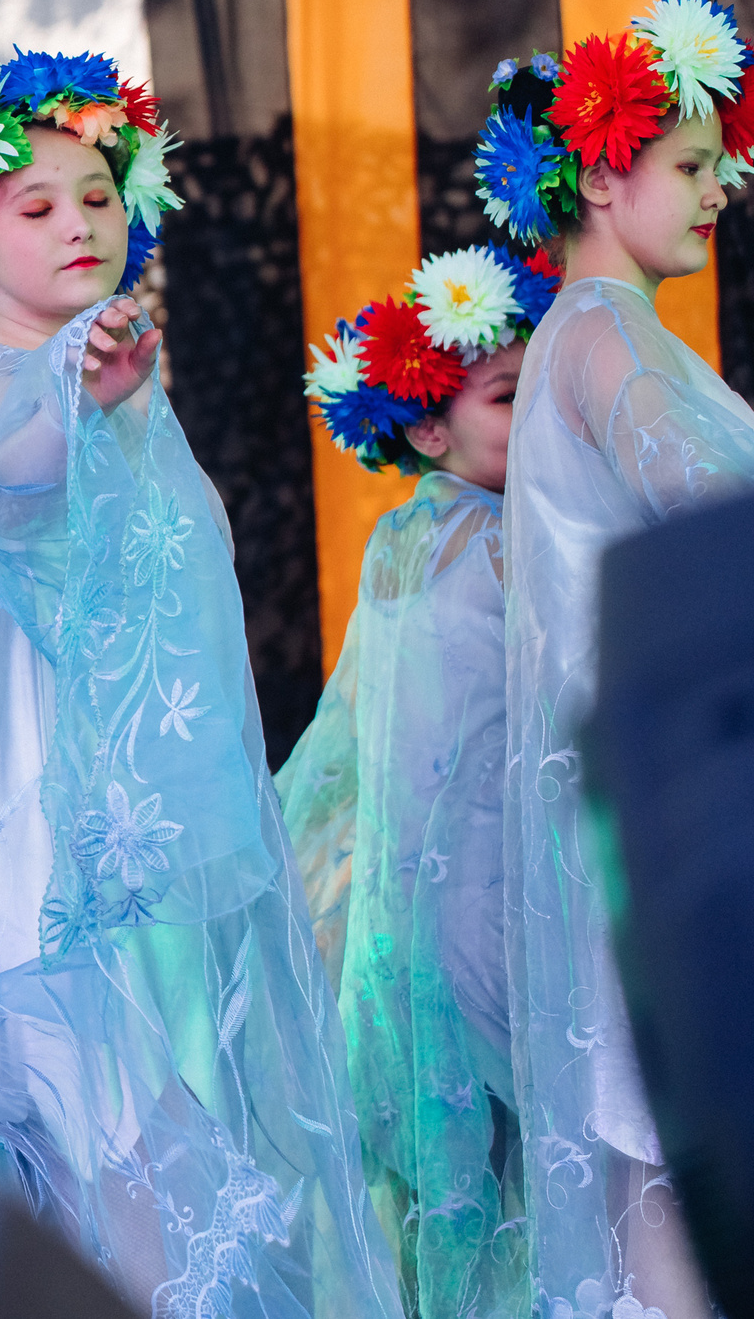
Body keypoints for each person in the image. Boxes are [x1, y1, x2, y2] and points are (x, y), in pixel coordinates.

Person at [0, 52, 401, 1313]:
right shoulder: (6, 390)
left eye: (99, 195)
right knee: (166, 1233)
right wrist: (77, 396)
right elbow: (10, 478)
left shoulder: (101, 380)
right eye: (36, 206)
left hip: (97, 887)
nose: (79, 223)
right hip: (39, 905)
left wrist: (99, 394)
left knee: (160, 1226)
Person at [470, 0, 754, 1319]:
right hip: (672, 804)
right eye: (693, 165)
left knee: (666, 1180)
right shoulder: (601, 336)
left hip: (644, 797)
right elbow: (708, 511)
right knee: (679, 1173)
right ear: (598, 169)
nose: (724, 186)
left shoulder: (587, 336)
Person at [277, 241, 559, 1317]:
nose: (535, 414)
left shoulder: (402, 536)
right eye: (507, 394)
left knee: (452, 1206)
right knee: (518, 1191)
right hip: (489, 923)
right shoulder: (503, 542)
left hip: (405, 940)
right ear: (427, 429)